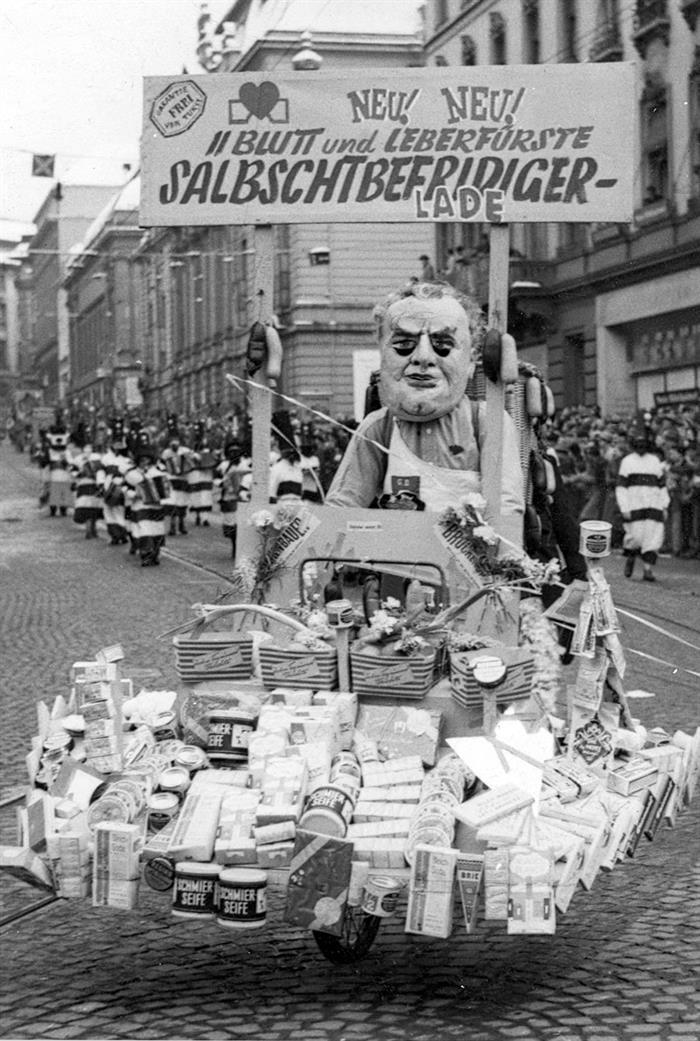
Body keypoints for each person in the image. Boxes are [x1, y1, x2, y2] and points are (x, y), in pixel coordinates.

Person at [325, 281, 524, 521]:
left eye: (442, 345)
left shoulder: (487, 422)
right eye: (403, 345)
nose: (423, 357)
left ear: (471, 361)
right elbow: (340, 508)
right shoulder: (377, 428)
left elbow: (506, 509)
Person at [616, 426, 670, 582]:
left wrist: (664, 505)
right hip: (635, 504)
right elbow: (621, 487)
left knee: (653, 536)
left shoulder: (654, 461)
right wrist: (624, 507)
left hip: (654, 504)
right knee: (636, 537)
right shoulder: (627, 461)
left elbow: (661, 485)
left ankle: (648, 569)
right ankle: (631, 554)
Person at [124, 435, 170, 567]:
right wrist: (134, 494)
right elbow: (125, 488)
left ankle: (155, 554)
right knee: (144, 531)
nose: (145, 463)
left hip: (155, 507)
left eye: (147, 460)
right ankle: (145, 555)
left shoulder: (158, 472)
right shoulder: (131, 474)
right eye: (142, 460)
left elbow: (164, 487)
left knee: (156, 530)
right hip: (140, 506)